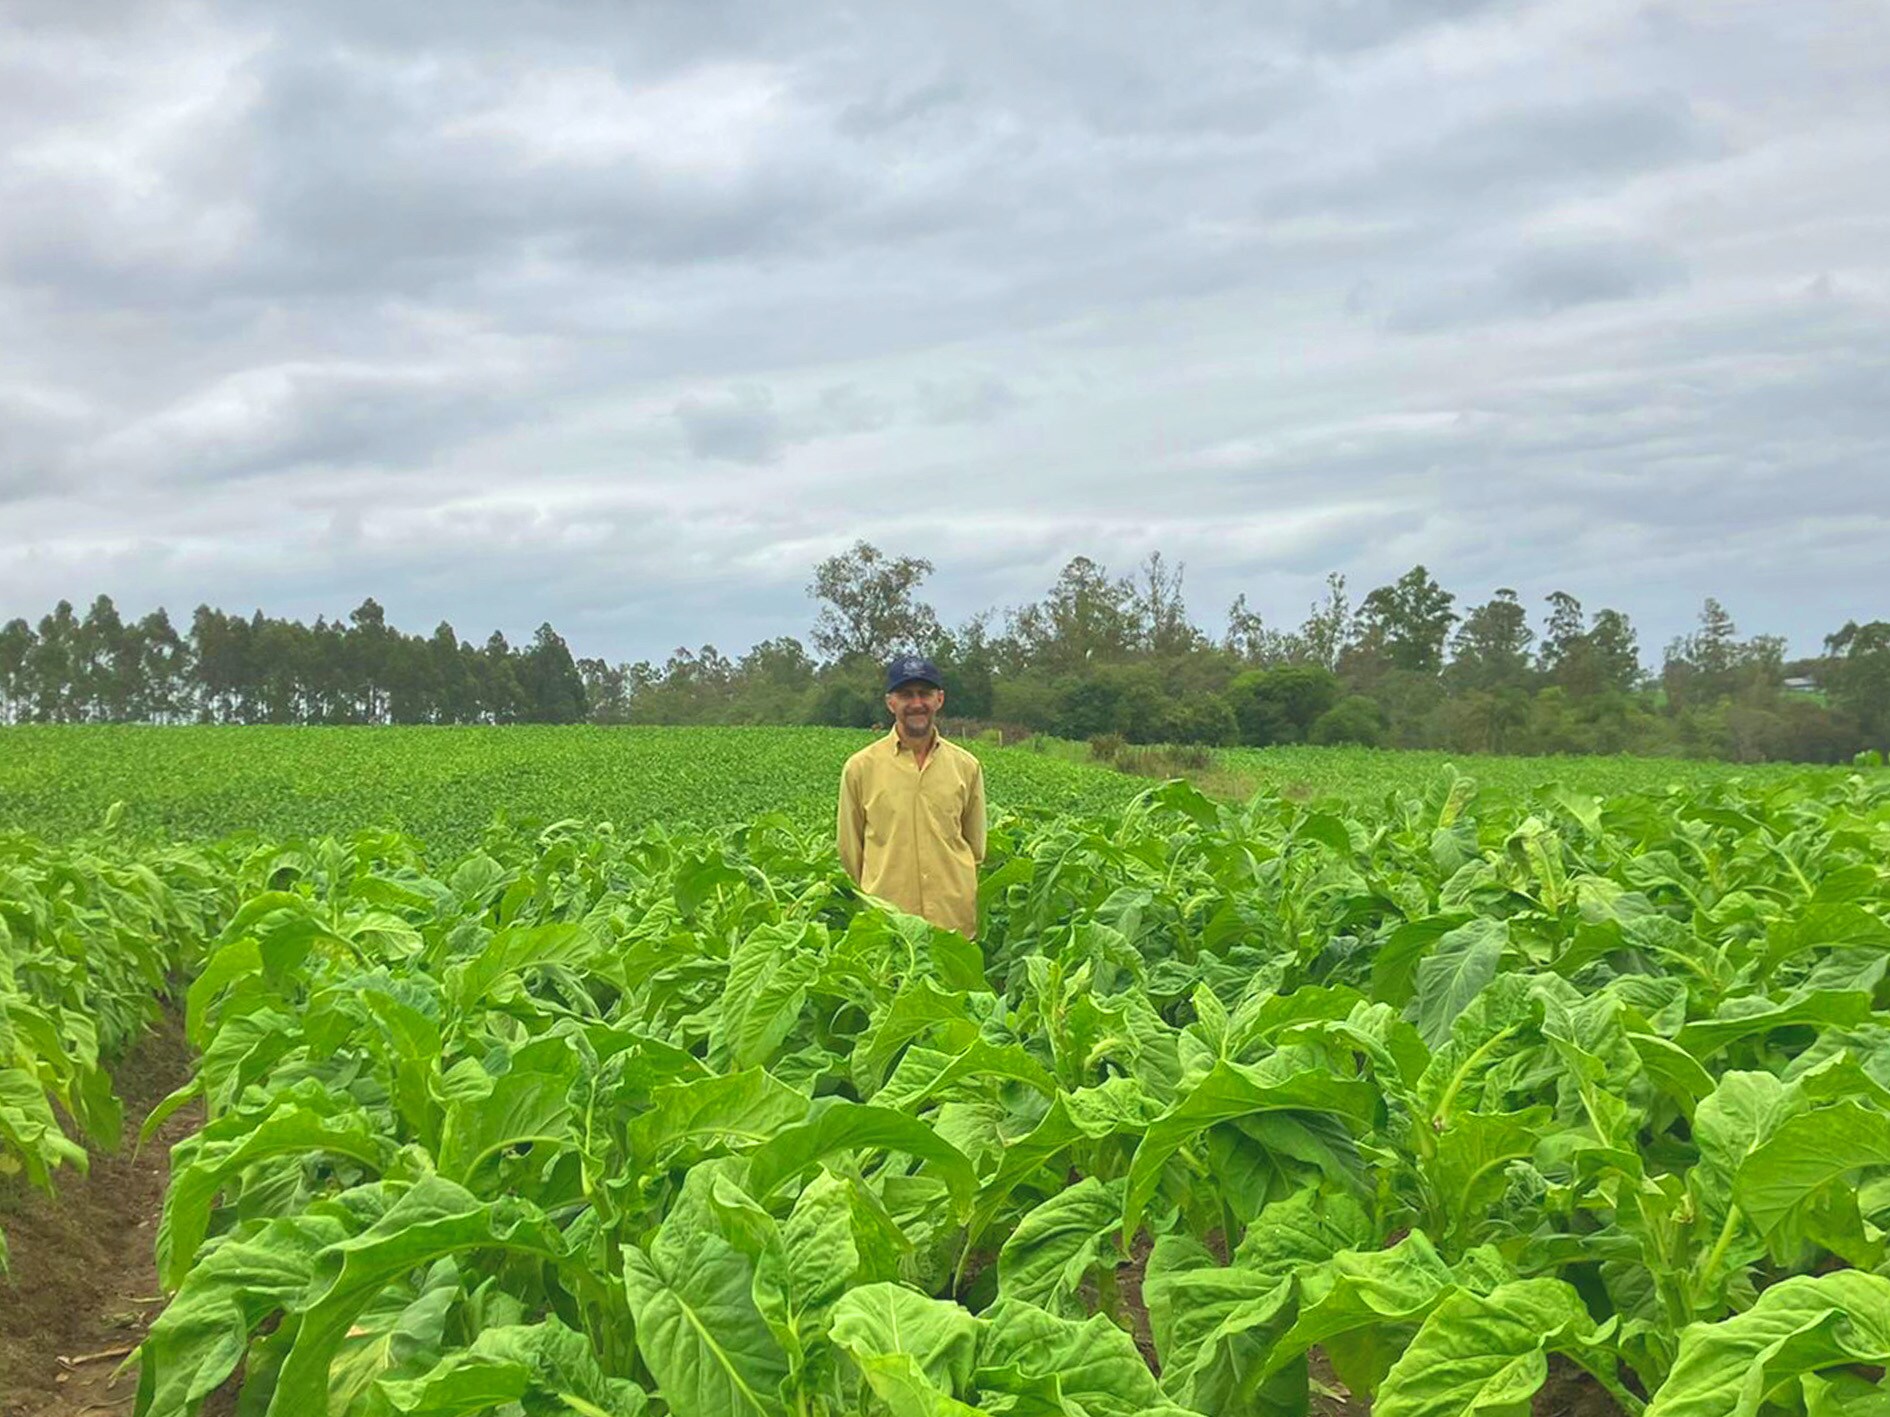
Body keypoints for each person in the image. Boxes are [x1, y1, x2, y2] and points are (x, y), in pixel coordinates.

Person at [836, 655, 987, 938]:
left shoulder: (966, 766)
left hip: (952, 925)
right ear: (890, 702)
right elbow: (850, 851)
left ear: (939, 699)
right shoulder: (860, 768)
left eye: (924, 693)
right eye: (906, 694)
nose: (917, 703)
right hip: (888, 926)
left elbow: (975, 847)